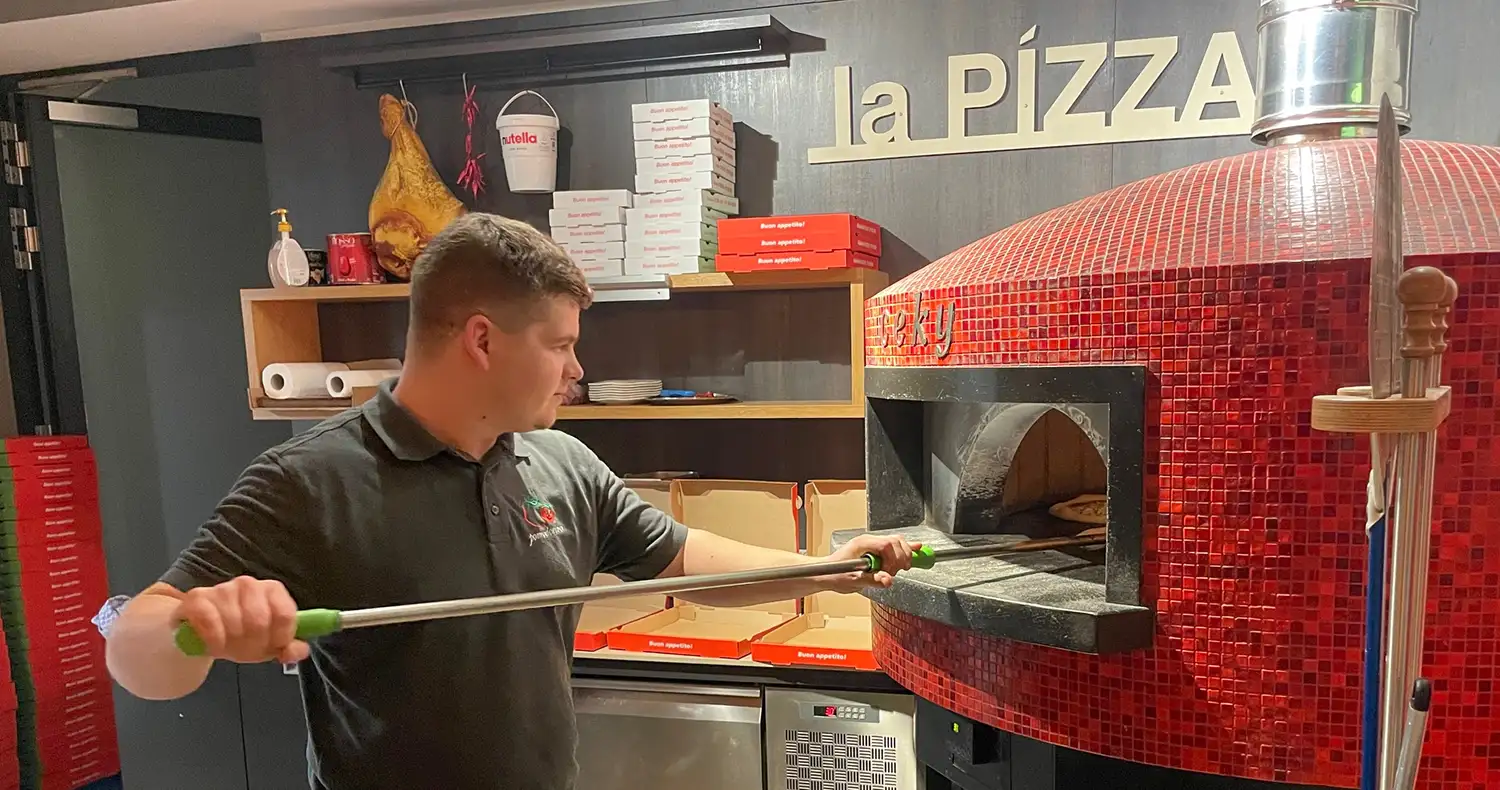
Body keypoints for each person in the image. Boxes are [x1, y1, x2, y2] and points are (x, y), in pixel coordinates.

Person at [104, 213, 918, 790]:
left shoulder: (560, 462)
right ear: (483, 339)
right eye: (561, 345)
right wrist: (200, 627)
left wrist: (829, 569)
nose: (576, 371)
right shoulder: (307, 479)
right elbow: (137, 649)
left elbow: (688, 560)